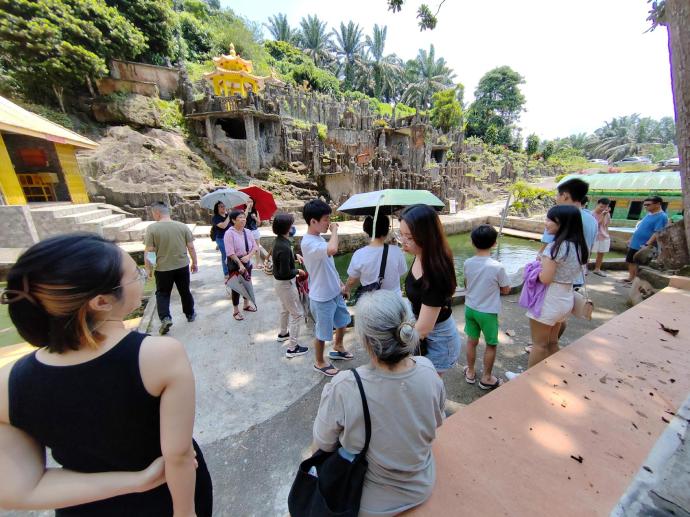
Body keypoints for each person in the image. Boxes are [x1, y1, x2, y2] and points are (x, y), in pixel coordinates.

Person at [0, 233, 213, 515]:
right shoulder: (159, 355)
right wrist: (185, 512)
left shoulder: (8, 382)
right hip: (164, 499)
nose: (141, 276)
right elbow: (178, 456)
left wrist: (136, 481)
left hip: (82, 505)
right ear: (101, 301)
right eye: (135, 274)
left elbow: (19, 490)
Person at [312, 290, 445, 517]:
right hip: (421, 485)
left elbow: (322, 446)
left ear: (366, 341)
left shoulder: (346, 385)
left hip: (368, 503)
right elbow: (437, 422)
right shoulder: (427, 369)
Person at [508, 206, 589, 380]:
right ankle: (554, 375)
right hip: (565, 298)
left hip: (549, 299)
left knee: (539, 344)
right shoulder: (578, 246)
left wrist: (534, 269)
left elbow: (545, 278)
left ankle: (528, 381)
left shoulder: (555, 248)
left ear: (561, 223)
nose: (546, 223)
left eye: (549, 220)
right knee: (552, 342)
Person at [399, 204, 462, 375]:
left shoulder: (435, 272)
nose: (403, 242)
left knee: (429, 391)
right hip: (422, 332)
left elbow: (424, 328)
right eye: (401, 234)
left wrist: (395, 345)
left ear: (426, 237)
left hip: (438, 342)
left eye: (409, 237)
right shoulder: (421, 255)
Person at [301, 199, 353, 377]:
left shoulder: (318, 238)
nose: (329, 223)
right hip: (321, 296)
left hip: (334, 292)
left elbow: (329, 266)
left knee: (343, 321)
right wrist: (336, 231)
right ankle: (320, 361)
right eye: (325, 219)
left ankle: (338, 346)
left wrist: (341, 285)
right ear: (313, 222)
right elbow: (332, 250)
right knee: (322, 333)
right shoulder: (308, 243)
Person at [463, 225, 511, 390]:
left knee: (471, 341)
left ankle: (470, 371)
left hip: (470, 308)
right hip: (488, 312)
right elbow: (505, 289)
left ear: (472, 242)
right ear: (494, 243)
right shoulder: (497, 266)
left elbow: (466, 284)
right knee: (491, 344)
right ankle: (487, 378)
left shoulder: (468, 263)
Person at [144, 202, 197, 335]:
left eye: (153, 214)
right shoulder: (182, 226)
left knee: (162, 293)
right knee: (185, 291)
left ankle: (165, 318)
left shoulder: (152, 228)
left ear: (157, 213)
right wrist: (194, 262)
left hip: (163, 269)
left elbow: (150, 251)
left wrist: (149, 268)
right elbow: (191, 247)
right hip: (182, 266)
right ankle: (190, 314)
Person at [343, 215, 408, 299]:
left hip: (371, 303)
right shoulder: (396, 251)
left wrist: (347, 290)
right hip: (394, 301)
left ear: (367, 230)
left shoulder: (359, 254)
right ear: (386, 230)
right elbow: (402, 272)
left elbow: (351, 280)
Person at [271, 213, 309, 358]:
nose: (293, 227)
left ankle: (283, 333)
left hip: (278, 284)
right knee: (297, 314)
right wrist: (298, 270)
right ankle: (292, 347)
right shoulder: (284, 246)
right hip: (286, 284)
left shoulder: (280, 241)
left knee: (284, 309)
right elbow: (286, 272)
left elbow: (281, 257)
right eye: (291, 224)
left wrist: (295, 256)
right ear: (287, 227)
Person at [620, 196, 669, 285]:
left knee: (639, 263)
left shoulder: (662, 216)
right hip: (635, 242)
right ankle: (631, 278)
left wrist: (647, 244)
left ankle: (635, 281)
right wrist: (631, 239)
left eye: (648, 205)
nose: (646, 207)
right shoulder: (649, 214)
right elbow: (640, 228)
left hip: (644, 244)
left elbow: (657, 232)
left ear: (657, 204)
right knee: (630, 260)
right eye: (645, 205)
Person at [224, 209, 258, 321]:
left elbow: (255, 247)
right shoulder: (229, 233)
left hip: (246, 259)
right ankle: (235, 311)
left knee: (247, 283)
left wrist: (248, 257)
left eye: (244, 217)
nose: (243, 219)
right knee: (236, 287)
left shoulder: (248, 232)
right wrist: (240, 264)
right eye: (240, 217)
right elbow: (230, 252)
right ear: (233, 220)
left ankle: (246, 304)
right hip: (234, 262)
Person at [244, 197, 269, 268]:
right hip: (246, 231)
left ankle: (257, 263)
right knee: (246, 248)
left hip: (255, 231)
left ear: (253, 203)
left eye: (251, 201)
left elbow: (258, 223)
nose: (250, 203)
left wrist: (255, 218)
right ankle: (246, 263)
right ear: (245, 203)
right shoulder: (243, 211)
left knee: (256, 247)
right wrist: (247, 208)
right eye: (248, 201)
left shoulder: (255, 211)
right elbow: (244, 218)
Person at [591, 198, 612, 277]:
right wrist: (603, 215)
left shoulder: (607, 214)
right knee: (589, 253)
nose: (603, 208)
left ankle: (597, 269)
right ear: (597, 204)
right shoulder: (592, 213)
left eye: (605, 207)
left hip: (604, 236)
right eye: (601, 206)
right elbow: (596, 225)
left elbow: (606, 225)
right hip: (594, 236)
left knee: (601, 253)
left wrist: (607, 235)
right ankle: (584, 269)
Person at [211, 201, 231, 279]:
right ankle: (226, 272)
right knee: (225, 254)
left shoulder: (227, 215)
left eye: (224, 206)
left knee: (231, 254)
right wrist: (229, 217)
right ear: (217, 208)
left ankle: (232, 269)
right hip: (221, 238)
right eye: (220, 206)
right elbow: (223, 226)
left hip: (230, 238)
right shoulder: (215, 217)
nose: (223, 207)